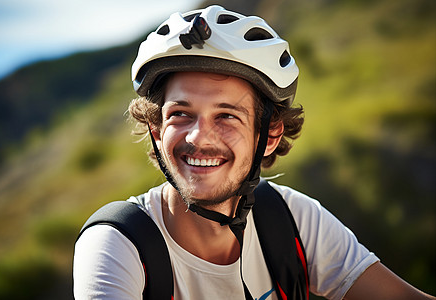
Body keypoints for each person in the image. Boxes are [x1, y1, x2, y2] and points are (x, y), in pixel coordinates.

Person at [73, 5, 434, 300]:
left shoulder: (292, 220)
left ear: (271, 134)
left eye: (227, 116)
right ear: (156, 130)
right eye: (180, 114)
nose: (199, 137)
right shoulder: (118, 244)